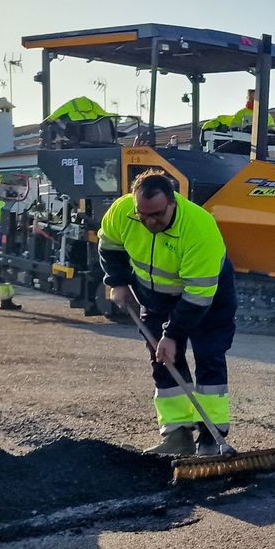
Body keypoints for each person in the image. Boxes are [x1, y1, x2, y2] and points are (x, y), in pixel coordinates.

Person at [98, 170, 239, 457]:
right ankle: (177, 436)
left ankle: (212, 438)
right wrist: (118, 282)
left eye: (158, 215)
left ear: (173, 202)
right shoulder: (123, 211)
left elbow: (198, 297)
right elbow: (109, 244)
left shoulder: (199, 229)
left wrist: (173, 334)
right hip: (155, 297)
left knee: (209, 355)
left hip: (206, 298)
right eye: (143, 215)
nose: (149, 222)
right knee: (162, 359)